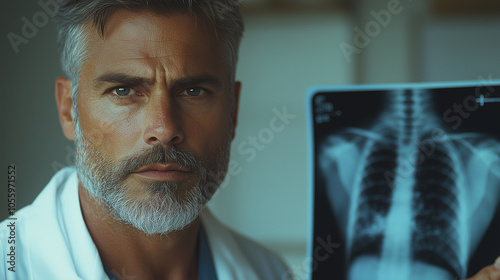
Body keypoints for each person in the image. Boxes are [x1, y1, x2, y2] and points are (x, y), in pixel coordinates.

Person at [0, 0, 289, 279]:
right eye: (123, 91)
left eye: (193, 92)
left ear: (233, 110)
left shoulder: (271, 272)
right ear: (68, 110)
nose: (164, 129)